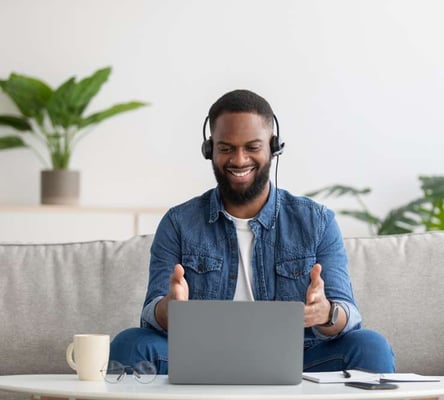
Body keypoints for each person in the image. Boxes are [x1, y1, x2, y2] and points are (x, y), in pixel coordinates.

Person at [110, 89, 395, 374]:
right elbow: (151, 316)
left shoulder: (316, 221)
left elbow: (348, 314)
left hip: (300, 361)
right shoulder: (178, 223)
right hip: (201, 359)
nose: (239, 159)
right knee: (131, 344)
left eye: (252, 147)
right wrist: (169, 309)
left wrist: (326, 313)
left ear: (273, 147)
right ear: (209, 150)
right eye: (226, 148)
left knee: (371, 347)